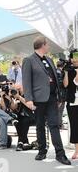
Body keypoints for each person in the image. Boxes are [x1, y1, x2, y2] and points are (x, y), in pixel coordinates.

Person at [22, 36, 70, 165]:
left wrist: (59, 96)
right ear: (42, 45)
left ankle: (60, 154)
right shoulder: (29, 60)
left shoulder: (49, 60)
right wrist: (29, 100)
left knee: (54, 125)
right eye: (47, 44)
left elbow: (55, 78)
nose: (48, 46)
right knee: (40, 126)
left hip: (52, 98)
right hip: (38, 99)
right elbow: (26, 81)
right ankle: (42, 151)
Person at [63, 49, 78, 160]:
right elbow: (65, 84)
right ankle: (77, 151)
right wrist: (67, 71)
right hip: (72, 102)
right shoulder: (69, 69)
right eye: (73, 57)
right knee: (74, 126)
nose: (75, 59)